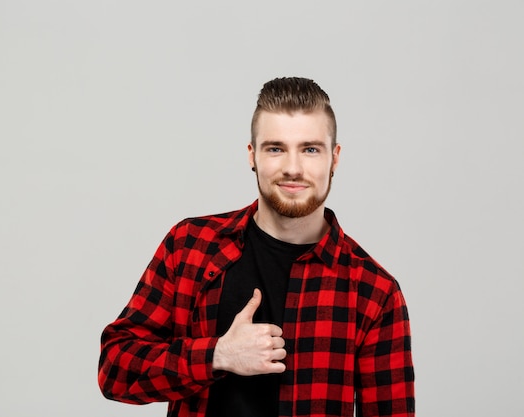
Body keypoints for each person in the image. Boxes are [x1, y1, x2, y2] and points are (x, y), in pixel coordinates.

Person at [98, 77, 415, 417]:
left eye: (310, 149)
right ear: (252, 155)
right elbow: (115, 370)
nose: (293, 168)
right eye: (275, 148)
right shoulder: (190, 245)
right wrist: (218, 355)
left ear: (334, 159)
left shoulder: (374, 292)